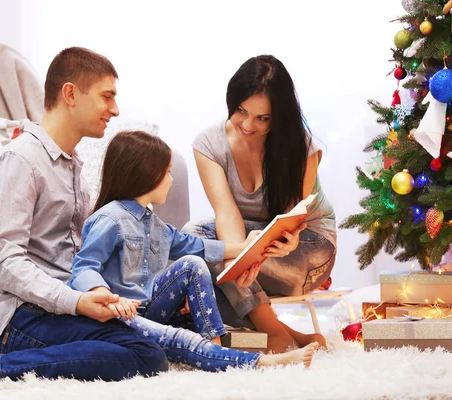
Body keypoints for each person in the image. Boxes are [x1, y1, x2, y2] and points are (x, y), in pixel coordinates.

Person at [0, 47, 169, 387]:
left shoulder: (71, 167)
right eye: (106, 97)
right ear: (70, 93)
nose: (114, 110)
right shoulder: (20, 162)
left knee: (153, 334)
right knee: (147, 356)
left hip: (63, 305)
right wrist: (77, 302)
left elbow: (79, 254)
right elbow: (5, 263)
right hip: (24, 318)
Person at [68, 130, 319, 372]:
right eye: (167, 173)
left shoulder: (155, 225)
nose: (171, 179)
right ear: (146, 174)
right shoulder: (109, 219)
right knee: (181, 339)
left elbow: (197, 246)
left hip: (154, 309)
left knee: (193, 266)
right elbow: (83, 267)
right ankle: (264, 363)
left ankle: (216, 348)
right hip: (121, 317)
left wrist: (244, 247)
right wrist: (105, 296)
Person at [183, 55, 336, 353]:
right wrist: (239, 259)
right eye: (241, 111)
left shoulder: (300, 146)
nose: (248, 125)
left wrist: (259, 254)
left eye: (262, 118)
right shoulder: (209, 144)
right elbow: (226, 214)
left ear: (279, 116)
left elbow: (290, 221)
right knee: (192, 242)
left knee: (208, 256)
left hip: (305, 248)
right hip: (248, 248)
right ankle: (285, 334)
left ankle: (274, 334)